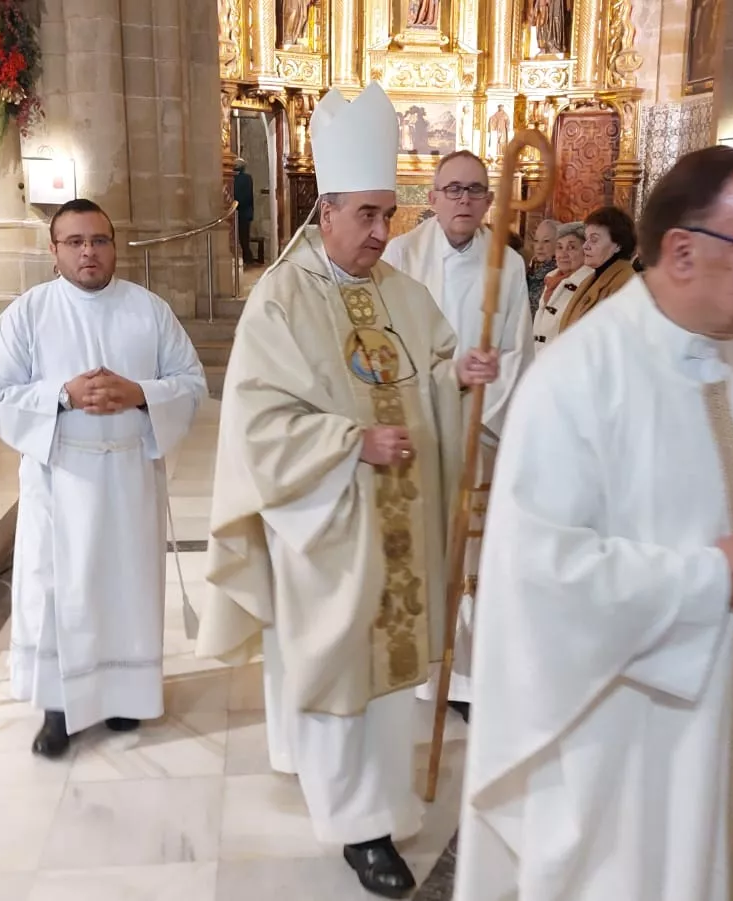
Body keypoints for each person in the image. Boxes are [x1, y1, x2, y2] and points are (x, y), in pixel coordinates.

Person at [455, 145, 733, 901]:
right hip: (633, 737)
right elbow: (541, 577)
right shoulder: (578, 377)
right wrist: (714, 577)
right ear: (684, 251)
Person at [196, 82, 499, 899]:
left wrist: (457, 375)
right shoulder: (280, 298)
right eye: (367, 214)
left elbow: (430, 367)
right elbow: (259, 421)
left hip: (396, 521)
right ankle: (359, 830)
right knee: (339, 670)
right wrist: (348, 442)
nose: (382, 231)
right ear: (324, 210)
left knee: (388, 681)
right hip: (326, 521)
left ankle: (375, 799)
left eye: (388, 213)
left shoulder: (401, 290)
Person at [0, 198, 208, 758]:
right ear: (54, 251)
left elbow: (192, 384)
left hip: (129, 475)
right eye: (75, 242)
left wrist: (140, 393)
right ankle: (58, 709)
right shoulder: (28, 313)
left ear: (114, 246)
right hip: (62, 480)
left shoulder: (149, 311)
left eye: (99, 240)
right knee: (61, 593)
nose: (88, 252)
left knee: (125, 588)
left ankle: (126, 695)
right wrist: (60, 395)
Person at [382, 147, 533, 717]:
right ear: (433, 197)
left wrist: (483, 403)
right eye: (453, 189)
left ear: (490, 200)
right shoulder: (401, 254)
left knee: (471, 557)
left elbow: (517, 348)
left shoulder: (509, 264)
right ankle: (417, 669)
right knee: (417, 547)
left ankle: (465, 677)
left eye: (474, 190)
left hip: (479, 428)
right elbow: (389, 343)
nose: (463, 200)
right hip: (418, 424)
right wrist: (443, 383)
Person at [554, 204, 638, 332]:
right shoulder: (590, 278)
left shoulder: (625, 284)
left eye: (594, 240)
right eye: (587, 239)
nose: (585, 246)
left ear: (618, 245)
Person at [530, 221, 587, 350]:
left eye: (571, 248)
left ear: (585, 251)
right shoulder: (550, 280)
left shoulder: (587, 285)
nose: (563, 254)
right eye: (559, 247)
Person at [526, 218, 558, 313]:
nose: (539, 247)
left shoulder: (557, 275)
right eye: (536, 241)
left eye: (546, 241)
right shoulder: (530, 268)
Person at [233, 159, 256, 265]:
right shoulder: (247, 178)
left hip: (240, 210)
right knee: (244, 237)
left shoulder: (238, 178)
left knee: (242, 237)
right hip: (245, 211)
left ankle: (247, 258)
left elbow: (241, 195)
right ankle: (247, 258)